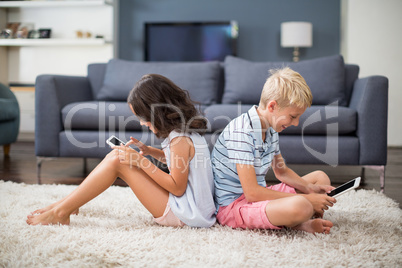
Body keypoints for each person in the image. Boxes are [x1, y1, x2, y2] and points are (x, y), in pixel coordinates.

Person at [27, 74, 216, 228]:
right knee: (118, 156)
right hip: (189, 207)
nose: (142, 122)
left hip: (185, 215)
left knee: (118, 160)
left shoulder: (179, 140)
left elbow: (177, 186)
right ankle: (65, 206)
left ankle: (61, 212)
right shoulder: (183, 133)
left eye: (142, 117)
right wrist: (149, 151)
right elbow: (181, 165)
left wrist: (141, 161)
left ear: (156, 111)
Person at [211, 67, 337, 234]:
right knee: (302, 206)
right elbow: (252, 193)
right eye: (293, 116)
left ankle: (297, 219)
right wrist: (307, 198)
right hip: (234, 206)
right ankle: (300, 223)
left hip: (256, 198)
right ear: (272, 106)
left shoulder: (271, 128)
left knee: (320, 178)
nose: (296, 123)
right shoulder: (241, 132)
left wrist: (309, 188)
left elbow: (282, 171)